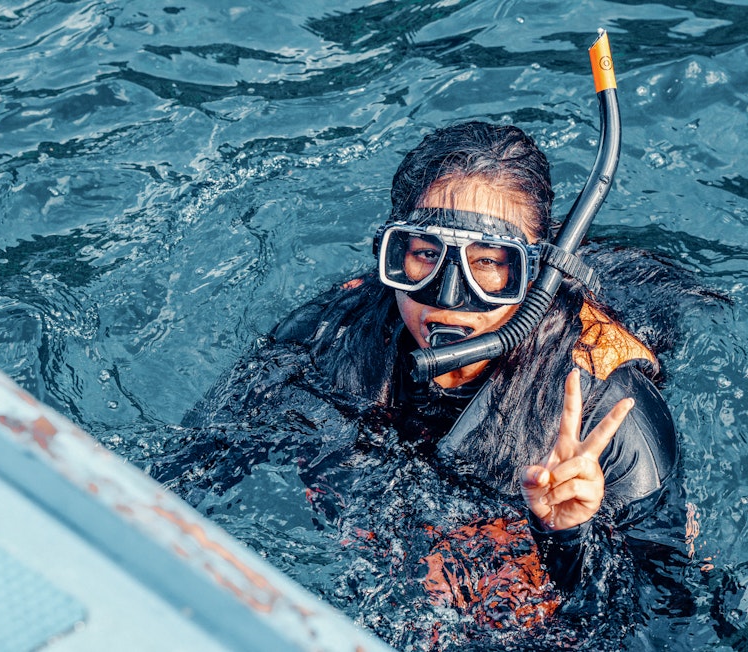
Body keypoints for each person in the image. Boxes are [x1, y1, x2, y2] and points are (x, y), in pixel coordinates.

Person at [266, 120, 679, 599]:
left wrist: (565, 535)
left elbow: (663, 610)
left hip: (644, 298)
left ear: (535, 275)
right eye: (425, 254)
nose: (447, 296)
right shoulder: (329, 333)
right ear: (392, 252)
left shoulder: (614, 409)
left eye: (488, 262)